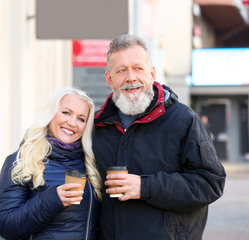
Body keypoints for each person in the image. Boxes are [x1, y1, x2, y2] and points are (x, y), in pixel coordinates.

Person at [92, 34, 226, 240]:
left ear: (152, 73)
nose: (130, 78)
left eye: (138, 68)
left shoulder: (183, 120)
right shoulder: (97, 126)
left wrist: (145, 187)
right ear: (109, 79)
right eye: (121, 70)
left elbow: (210, 184)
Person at [0, 87, 102, 240]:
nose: (72, 123)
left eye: (81, 119)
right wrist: (52, 200)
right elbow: (6, 227)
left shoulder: (90, 164)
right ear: (50, 114)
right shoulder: (22, 160)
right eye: (66, 113)